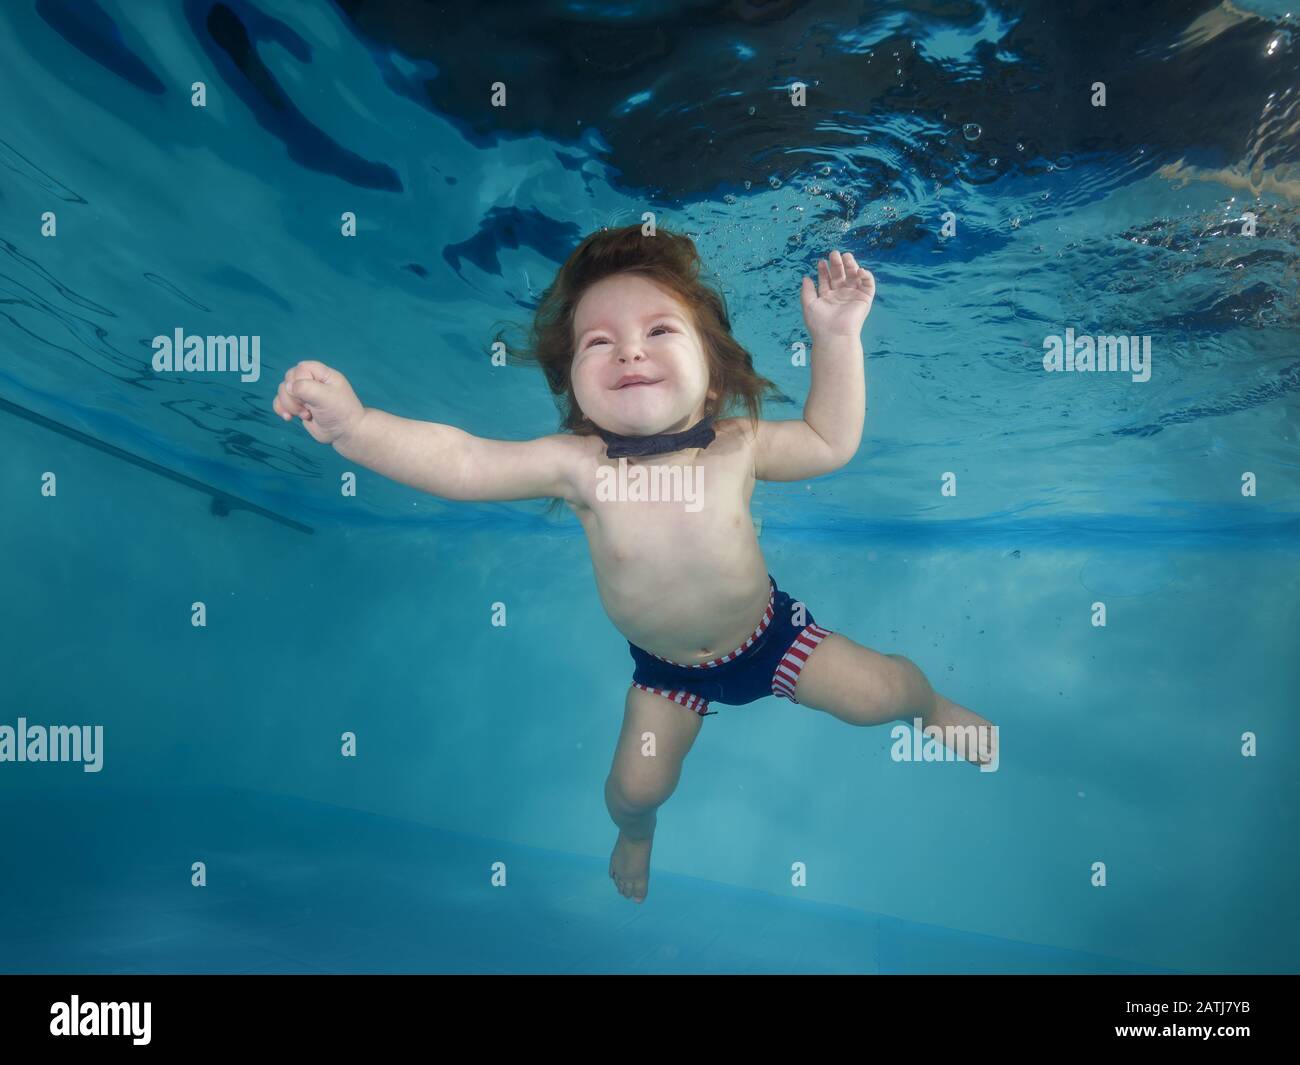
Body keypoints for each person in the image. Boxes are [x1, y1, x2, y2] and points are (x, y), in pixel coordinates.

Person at [272, 225, 996, 904]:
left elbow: (829, 440)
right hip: (667, 673)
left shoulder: (737, 444)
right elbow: (463, 460)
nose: (629, 352)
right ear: (574, 388)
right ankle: (637, 835)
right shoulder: (578, 465)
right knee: (632, 788)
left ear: (711, 376)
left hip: (772, 641)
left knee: (881, 695)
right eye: (598, 341)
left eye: (657, 331)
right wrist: (358, 428)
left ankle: (931, 708)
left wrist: (836, 337)